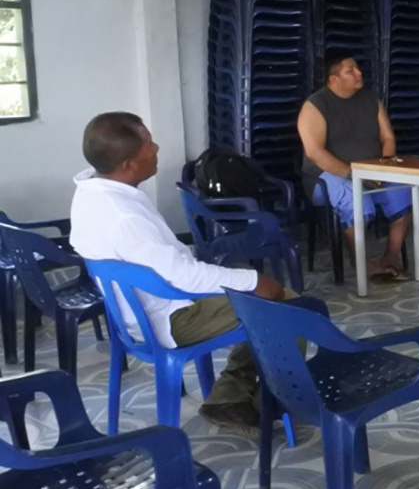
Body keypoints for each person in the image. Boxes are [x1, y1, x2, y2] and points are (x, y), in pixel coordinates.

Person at [70, 112, 286, 434]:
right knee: (287, 306)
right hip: (169, 316)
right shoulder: (123, 216)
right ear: (128, 164)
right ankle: (264, 403)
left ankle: (231, 396)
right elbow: (182, 278)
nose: (156, 148)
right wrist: (254, 282)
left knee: (250, 291)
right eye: (148, 144)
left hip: (136, 312)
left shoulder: (91, 191)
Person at [298, 53, 411, 281]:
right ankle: (360, 263)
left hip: (371, 171)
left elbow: (388, 138)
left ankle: (390, 256)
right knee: (356, 198)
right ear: (334, 79)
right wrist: (354, 175)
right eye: (351, 70)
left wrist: (383, 168)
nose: (359, 74)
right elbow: (315, 153)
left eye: (358, 69)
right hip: (327, 176)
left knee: (403, 190)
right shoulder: (316, 105)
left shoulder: (371, 100)